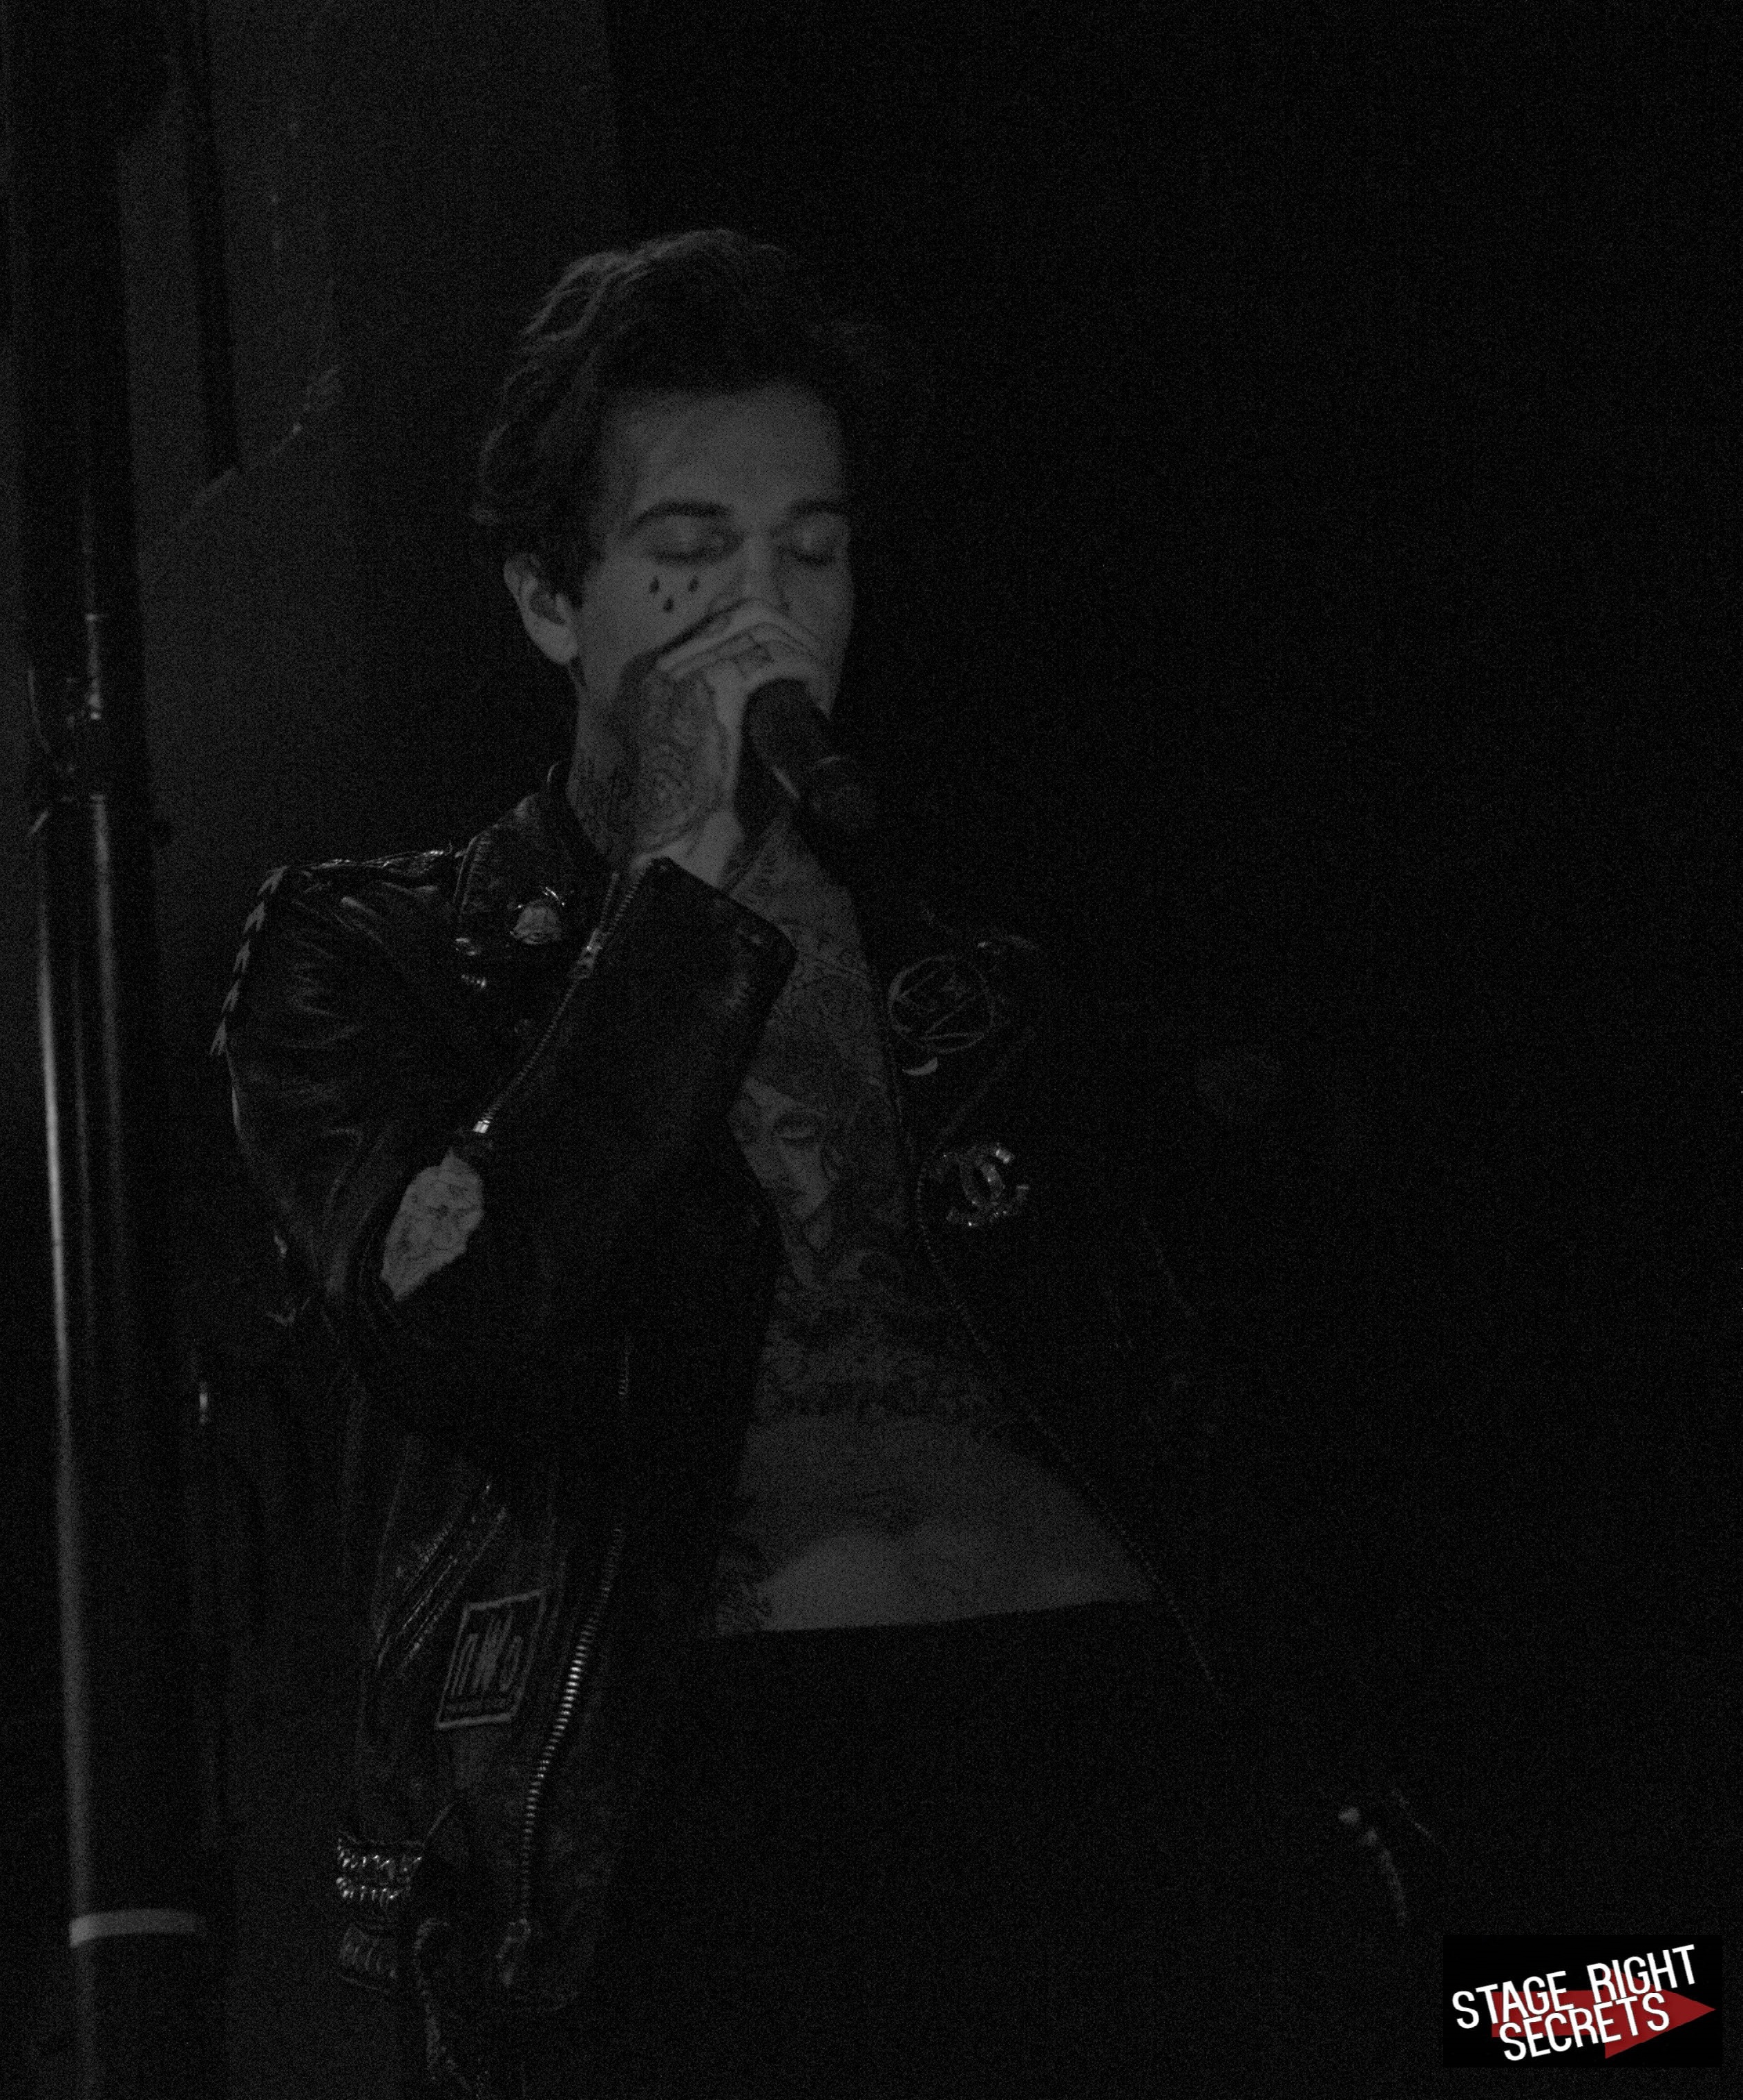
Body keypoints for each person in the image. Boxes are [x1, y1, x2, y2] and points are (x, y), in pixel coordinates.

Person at [218, 231, 1384, 2095]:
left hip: (1112, 1756)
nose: (763, 612)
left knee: (1606, 2006)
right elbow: (453, 1323)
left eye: (812, 550)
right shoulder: (383, 952)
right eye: (691, 552)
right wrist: (685, 877)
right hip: (708, 1804)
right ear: (549, 599)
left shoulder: (974, 976)